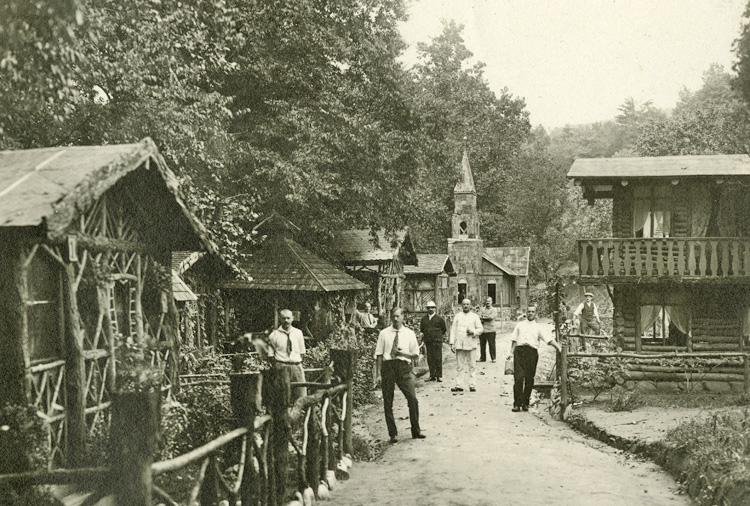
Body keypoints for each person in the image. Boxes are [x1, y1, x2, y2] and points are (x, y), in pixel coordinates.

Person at [374, 308, 425, 443]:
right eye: (393, 316)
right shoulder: (384, 333)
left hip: (403, 367)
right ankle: (393, 434)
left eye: (397, 316)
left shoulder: (409, 333)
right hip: (388, 367)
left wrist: (402, 354)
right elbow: (379, 354)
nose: (395, 319)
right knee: (388, 402)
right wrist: (378, 374)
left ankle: (416, 431)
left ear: (403, 317)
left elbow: (415, 354)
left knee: (412, 399)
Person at [508, 306, 562, 412]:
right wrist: (511, 352)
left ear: (535, 314)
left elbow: (549, 339)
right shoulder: (520, 325)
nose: (530, 313)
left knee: (529, 378)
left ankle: (525, 403)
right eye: (529, 311)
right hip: (519, 352)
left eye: (533, 312)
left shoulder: (538, 327)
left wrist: (559, 348)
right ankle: (517, 403)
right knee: (518, 378)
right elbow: (514, 339)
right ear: (526, 313)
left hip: (531, 353)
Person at [268, 309, 307, 403]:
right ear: (280, 319)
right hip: (281, 367)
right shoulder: (274, 335)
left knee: (301, 396)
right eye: (283, 318)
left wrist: (295, 363)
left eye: (288, 318)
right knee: (283, 397)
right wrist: (279, 366)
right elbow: (271, 356)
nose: (286, 320)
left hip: (297, 367)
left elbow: (302, 353)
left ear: (292, 319)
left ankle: (300, 416)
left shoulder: (298, 333)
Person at [449, 298, 483, 393]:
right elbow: (453, 330)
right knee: (460, 366)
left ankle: (472, 385)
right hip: (460, 344)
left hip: (471, 344)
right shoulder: (457, 316)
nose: (466, 306)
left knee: (472, 366)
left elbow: (481, 329)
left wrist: (473, 332)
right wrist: (452, 343)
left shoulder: (475, 317)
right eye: (464, 304)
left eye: (467, 304)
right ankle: (459, 385)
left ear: (470, 305)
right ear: (461, 305)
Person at [420, 300, 447, 382]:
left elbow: (444, 329)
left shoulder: (439, 319)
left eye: (432, 307)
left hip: (437, 341)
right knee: (430, 358)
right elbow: (422, 329)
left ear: (435, 308)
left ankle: (439, 375)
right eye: (429, 308)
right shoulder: (424, 319)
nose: (430, 309)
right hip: (428, 341)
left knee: (438, 358)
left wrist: (437, 335)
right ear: (427, 309)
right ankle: (432, 375)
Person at [478, 297, 498, 363]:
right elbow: (479, 317)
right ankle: (482, 358)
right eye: (486, 301)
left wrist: (484, 317)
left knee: (491, 345)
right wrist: (487, 316)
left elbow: (491, 317)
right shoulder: (482, 309)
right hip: (482, 329)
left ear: (492, 302)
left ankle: (493, 358)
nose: (488, 302)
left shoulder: (494, 310)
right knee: (482, 345)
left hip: (491, 330)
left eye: (489, 301)